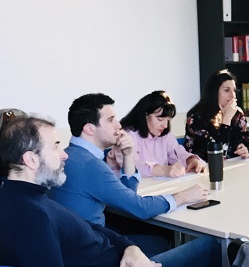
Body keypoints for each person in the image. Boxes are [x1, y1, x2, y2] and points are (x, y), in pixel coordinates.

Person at [0, 116, 221, 267]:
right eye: (56, 147)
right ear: (31, 160)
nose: (64, 155)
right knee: (214, 247)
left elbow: (89, 226)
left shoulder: (28, 195)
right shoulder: (31, 216)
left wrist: (129, 247)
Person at [49, 93, 208, 256]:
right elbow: (139, 208)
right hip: (92, 251)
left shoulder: (73, 156)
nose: (118, 125)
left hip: (75, 245)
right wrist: (182, 196)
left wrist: (128, 155)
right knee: (200, 245)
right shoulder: (90, 165)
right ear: (89, 128)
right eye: (111, 120)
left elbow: (128, 196)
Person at [120, 91, 206, 178]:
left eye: (168, 120)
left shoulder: (164, 134)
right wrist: (165, 170)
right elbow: (133, 168)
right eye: (160, 119)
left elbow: (177, 153)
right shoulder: (128, 135)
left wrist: (191, 160)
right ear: (145, 116)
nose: (165, 125)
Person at [184, 69, 249, 160]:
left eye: (234, 90)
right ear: (214, 93)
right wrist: (226, 119)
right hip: (204, 170)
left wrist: (248, 151)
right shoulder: (195, 119)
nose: (233, 95)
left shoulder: (236, 113)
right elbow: (217, 155)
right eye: (227, 90)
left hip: (233, 168)